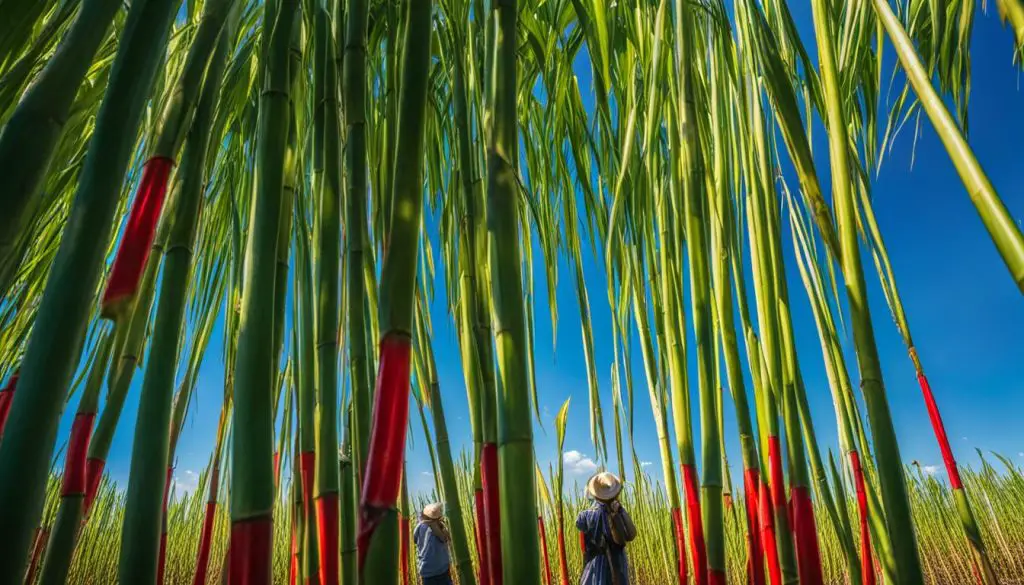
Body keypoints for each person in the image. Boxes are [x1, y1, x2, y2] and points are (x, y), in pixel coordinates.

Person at [577, 472, 637, 585]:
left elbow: (583, 546)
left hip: (593, 565)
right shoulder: (617, 512)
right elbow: (630, 535)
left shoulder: (584, 516)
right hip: (616, 565)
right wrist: (620, 511)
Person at [414, 502, 453, 585]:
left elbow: (447, 538)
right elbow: (443, 538)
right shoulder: (426, 527)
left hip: (432, 571)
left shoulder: (421, 526)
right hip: (436, 571)